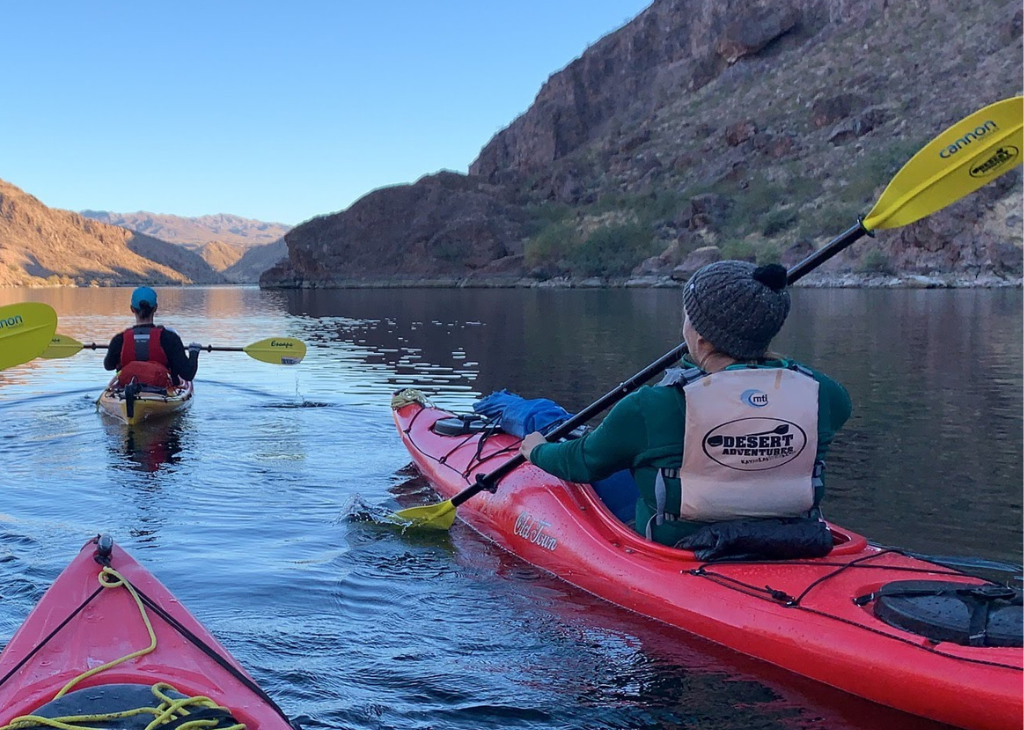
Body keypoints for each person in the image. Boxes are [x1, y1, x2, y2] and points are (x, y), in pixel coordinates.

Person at [519, 261, 852, 549]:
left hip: (678, 547)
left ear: (702, 340)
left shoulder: (652, 406)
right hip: (793, 541)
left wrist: (536, 451)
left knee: (600, 459)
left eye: (687, 318)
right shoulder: (823, 394)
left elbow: (580, 463)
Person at [104, 286, 201, 389]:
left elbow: (108, 366)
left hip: (127, 388)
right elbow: (188, 374)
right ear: (155, 308)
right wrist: (193, 352)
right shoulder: (169, 338)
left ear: (132, 309)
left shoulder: (119, 339)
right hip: (162, 391)